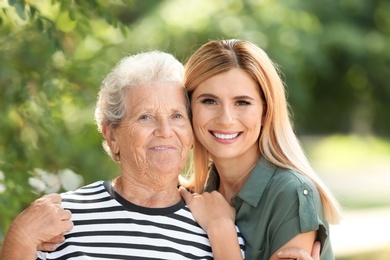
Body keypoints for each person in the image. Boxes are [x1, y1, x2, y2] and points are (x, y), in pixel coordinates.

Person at [0, 49, 320, 260]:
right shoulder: (61, 220)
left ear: (192, 132)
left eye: (177, 116)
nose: (165, 130)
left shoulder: (222, 231)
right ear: (112, 136)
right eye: (145, 117)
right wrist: (19, 241)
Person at [179, 39, 341, 260]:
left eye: (242, 102)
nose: (226, 119)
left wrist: (221, 229)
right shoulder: (190, 194)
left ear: (266, 112)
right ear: (189, 109)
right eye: (209, 101)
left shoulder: (291, 194)